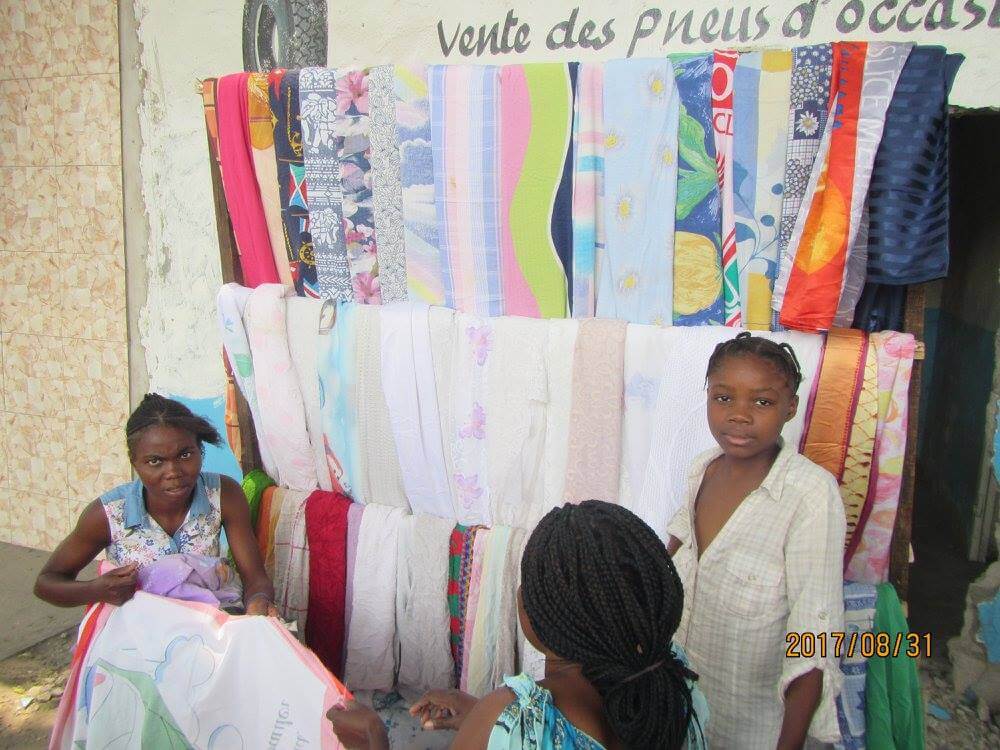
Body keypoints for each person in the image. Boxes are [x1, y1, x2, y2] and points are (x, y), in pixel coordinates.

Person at [328, 500, 707, 750]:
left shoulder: (509, 719)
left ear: (535, 616)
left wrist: (374, 741)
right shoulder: (677, 685)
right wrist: (485, 717)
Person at [666, 332, 846, 748]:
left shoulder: (810, 496)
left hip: (754, 731)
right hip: (678, 713)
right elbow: (668, 560)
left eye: (762, 402)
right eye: (723, 398)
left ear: (790, 407)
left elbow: (815, 641)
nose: (739, 416)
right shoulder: (702, 470)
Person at [35, 393, 277, 616]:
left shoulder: (223, 495)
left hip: (208, 626)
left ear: (200, 451)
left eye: (185, 455)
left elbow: (255, 578)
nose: (173, 472)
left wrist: (258, 603)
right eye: (155, 461)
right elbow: (46, 583)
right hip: (139, 634)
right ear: (135, 462)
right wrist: (95, 590)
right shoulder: (109, 514)